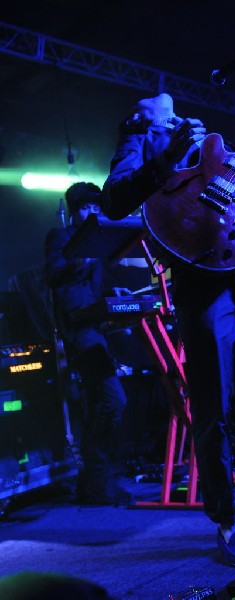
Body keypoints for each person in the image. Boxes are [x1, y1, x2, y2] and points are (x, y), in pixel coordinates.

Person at [102, 93, 235, 564]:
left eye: (173, 110)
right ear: (140, 116)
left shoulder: (204, 132)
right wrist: (168, 155)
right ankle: (227, 519)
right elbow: (114, 199)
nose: (169, 112)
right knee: (214, 404)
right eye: (159, 110)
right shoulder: (140, 137)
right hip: (202, 277)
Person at [44, 182, 130, 506]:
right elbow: (52, 275)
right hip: (79, 330)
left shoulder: (98, 241)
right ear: (73, 210)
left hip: (97, 329)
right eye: (85, 207)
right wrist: (81, 257)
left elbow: (95, 289)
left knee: (101, 405)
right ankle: (97, 481)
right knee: (112, 401)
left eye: (95, 206)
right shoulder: (61, 238)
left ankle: (95, 485)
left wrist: (114, 295)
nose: (92, 211)